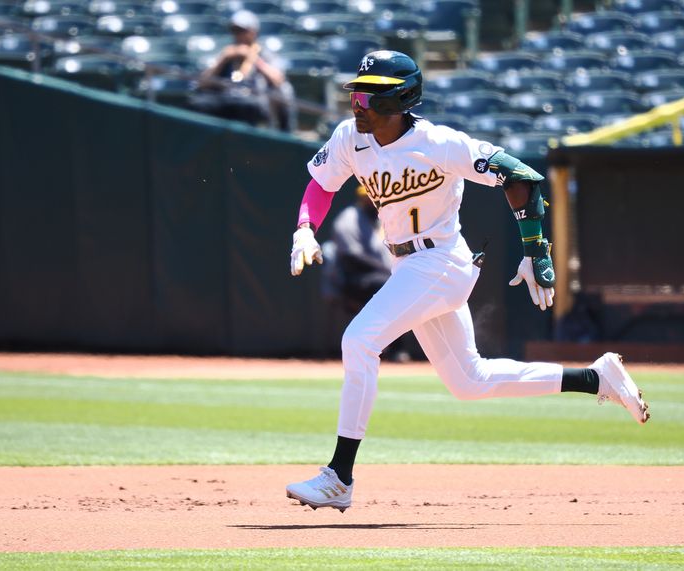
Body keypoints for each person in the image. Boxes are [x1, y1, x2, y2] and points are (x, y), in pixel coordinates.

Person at [286, 50, 650, 512]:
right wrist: (304, 228)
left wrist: (535, 248)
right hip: (410, 265)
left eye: (366, 95)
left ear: (398, 99)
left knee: (358, 340)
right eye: (355, 93)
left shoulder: (438, 143)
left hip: (440, 262)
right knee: (469, 381)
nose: (356, 103)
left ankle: (339, 477)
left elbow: (519, 175)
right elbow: (321, 184)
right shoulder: (348, 138)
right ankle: (596, 378)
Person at [322, 184, 413, 361]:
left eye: (375, 197)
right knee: (389, 285)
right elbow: (351, 256)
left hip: (380, 276)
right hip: (352, 279)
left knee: (402, 286)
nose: (372, 201)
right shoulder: (348, 219)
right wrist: (385, 270)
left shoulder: (381, 219)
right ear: (362, 199)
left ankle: (388, 345)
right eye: (368, 198)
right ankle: (390, 347)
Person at [189, 10, 296, 131]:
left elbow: (278, 80)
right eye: (234, 31)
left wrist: (254, 59)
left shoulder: (264, 54)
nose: (238, 35)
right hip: (225, 96)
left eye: (242, 31)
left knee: (251, 105)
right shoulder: (227, 53)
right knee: (198, 103)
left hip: (254, 97)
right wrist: (223, 60)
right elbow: (202, 83)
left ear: (253, 32)